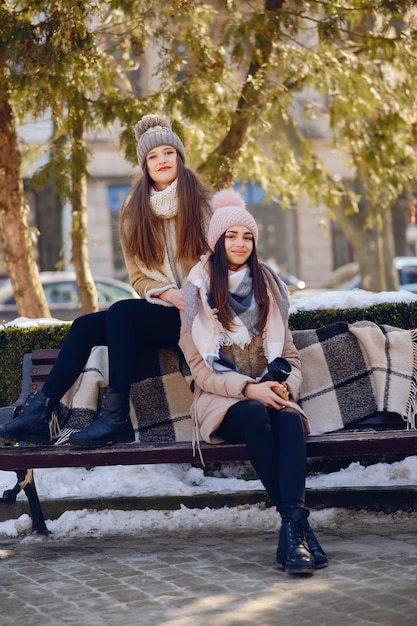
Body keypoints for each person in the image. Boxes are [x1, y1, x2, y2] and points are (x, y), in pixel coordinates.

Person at [0, 115, 212, 448]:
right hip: (164, 307)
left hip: (200, 314)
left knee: (121, 313)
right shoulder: (134, 210)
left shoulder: (202, 203)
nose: (161, 161)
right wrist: (168, 293)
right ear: (144, 165)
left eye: (168, 153)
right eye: (153, 157)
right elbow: (138, 278)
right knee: (85, 326)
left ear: (179, 157)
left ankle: (114, 418)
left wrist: (192, 293)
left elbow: (222, 262)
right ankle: (39, 413)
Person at [179, 189, 328, 576]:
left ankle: (293, 528)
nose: (240, 243)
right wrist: (248, 388)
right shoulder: (196, 294)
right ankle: (299, 531)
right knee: (255, 414)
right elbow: (202, 372)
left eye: (247, 237)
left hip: (269, 392)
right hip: (221, 402)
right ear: (217, 241)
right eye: (232, 236)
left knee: (289, 418)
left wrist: (282, 385)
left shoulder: (269, 290)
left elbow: (291, 358)